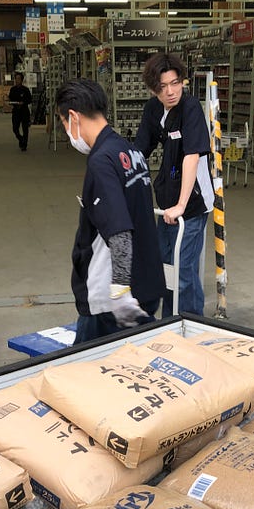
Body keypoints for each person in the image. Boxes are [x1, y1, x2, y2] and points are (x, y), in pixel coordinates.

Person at [55, 78, 165, 345]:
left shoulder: (101, 162)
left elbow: (119, 232)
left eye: (63, 123)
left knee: (89, 373)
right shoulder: (129, 151)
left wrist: (119, 291)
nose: (67, 131)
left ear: (73, 116)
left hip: (111, 302)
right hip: (147, 284)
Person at [135, 52, 214, 317]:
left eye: (175, 83)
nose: (170, 91)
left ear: (183, 81)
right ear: (152, 89)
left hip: (192, 202)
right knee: (166, 268)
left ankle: (192, 327)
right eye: (162, 86)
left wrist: (181, 204)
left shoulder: (190, 108)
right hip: (167, 201)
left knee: (183, 270)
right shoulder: (153, 109)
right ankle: (171, 322)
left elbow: (191, 156)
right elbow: (138, 152)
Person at [7, 72, 32, 152]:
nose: (17, 80)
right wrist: (11, 102)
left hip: (24, 111)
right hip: (16, 111)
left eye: (19, 79)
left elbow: (30, 100)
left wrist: (23, 102)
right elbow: (10, 98)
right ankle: (21, 139)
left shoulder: (25, 90)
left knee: (25, 128)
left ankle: (24, 144)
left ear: (22, 80)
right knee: (15, 128)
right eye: (16, 79)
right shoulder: (13, 89)